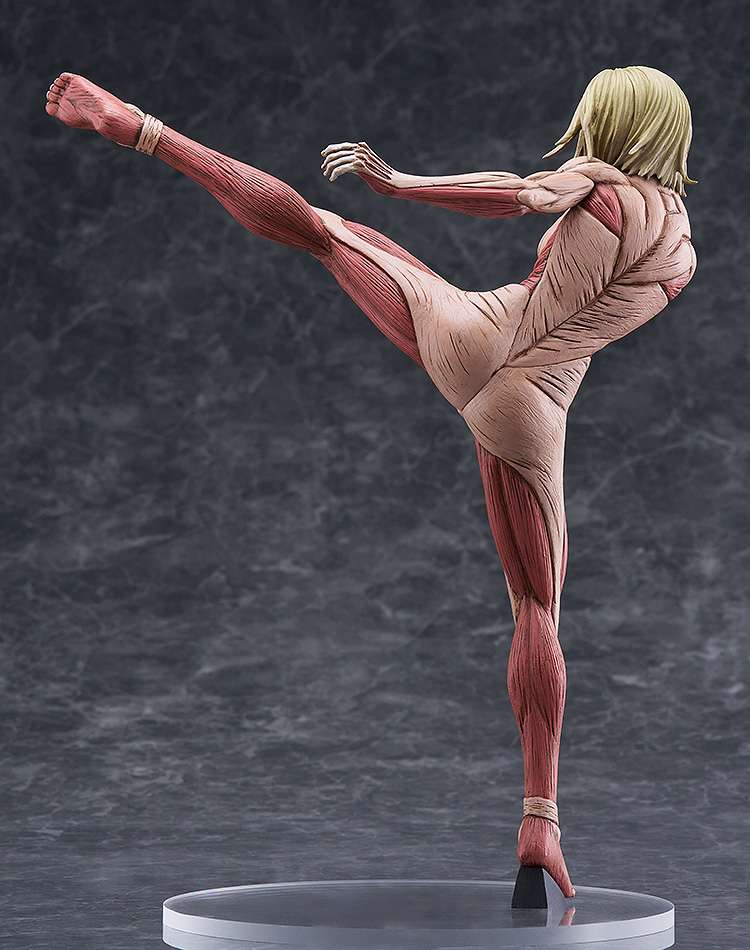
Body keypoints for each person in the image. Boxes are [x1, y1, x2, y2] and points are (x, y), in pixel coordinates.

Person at [45, 65, 696, 896]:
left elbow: (526, 194)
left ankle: (143, 129)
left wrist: (401, 183)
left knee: (323, 230)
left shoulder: (599, 184)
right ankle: (541, 822)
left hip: (473, 337)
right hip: (535, 411)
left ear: (613, 123)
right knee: (537, 609)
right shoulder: (682, 253)